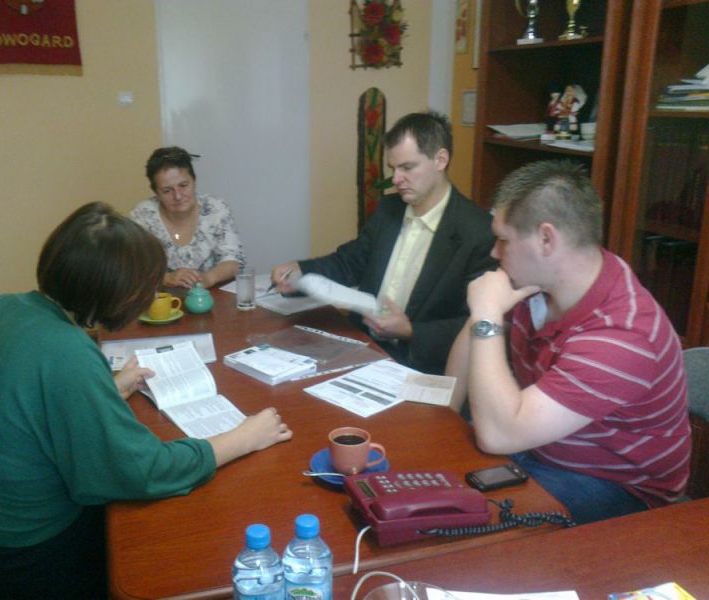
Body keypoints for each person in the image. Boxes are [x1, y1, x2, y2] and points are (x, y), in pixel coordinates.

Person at [0, 202, 292, 598]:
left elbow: (26, 395)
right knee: (167, 547)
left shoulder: (1, 307)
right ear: (112, 290)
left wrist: (104, 388)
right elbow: (140, 470)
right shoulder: (67, 352)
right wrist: (243, 438)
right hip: (23, 559)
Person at [445, 160, 691, 525]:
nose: (495, 252)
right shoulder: (540, 279)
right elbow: (468, 354)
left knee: (464, 522)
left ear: (546, 240)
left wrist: (486, 314)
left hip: (616, 487)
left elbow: (498, 435)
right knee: (431, 481)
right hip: (536, 445)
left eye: (504, 240)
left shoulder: (624, 335)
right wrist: (441, 418)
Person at [271, 111, 496, 373]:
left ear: (440, 160)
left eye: (407, 168)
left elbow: (479, 322)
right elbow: (351, 262)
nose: (396, 179)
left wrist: (411, 330)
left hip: (419, 363)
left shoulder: (478, 232)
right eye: (393, 169)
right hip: (362, 346)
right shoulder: (389, 209)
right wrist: (301, 271)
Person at [131, 146, 245, 289]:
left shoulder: (216, 208)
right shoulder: (142, 215)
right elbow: (131, 269)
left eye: (183, 185)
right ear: (156, 193)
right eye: (167, 191)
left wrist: (208, 278)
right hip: (162, 298)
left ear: (194, 182)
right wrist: (166, 278)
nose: (178, 196)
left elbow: (234, 261)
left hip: (212, 294)